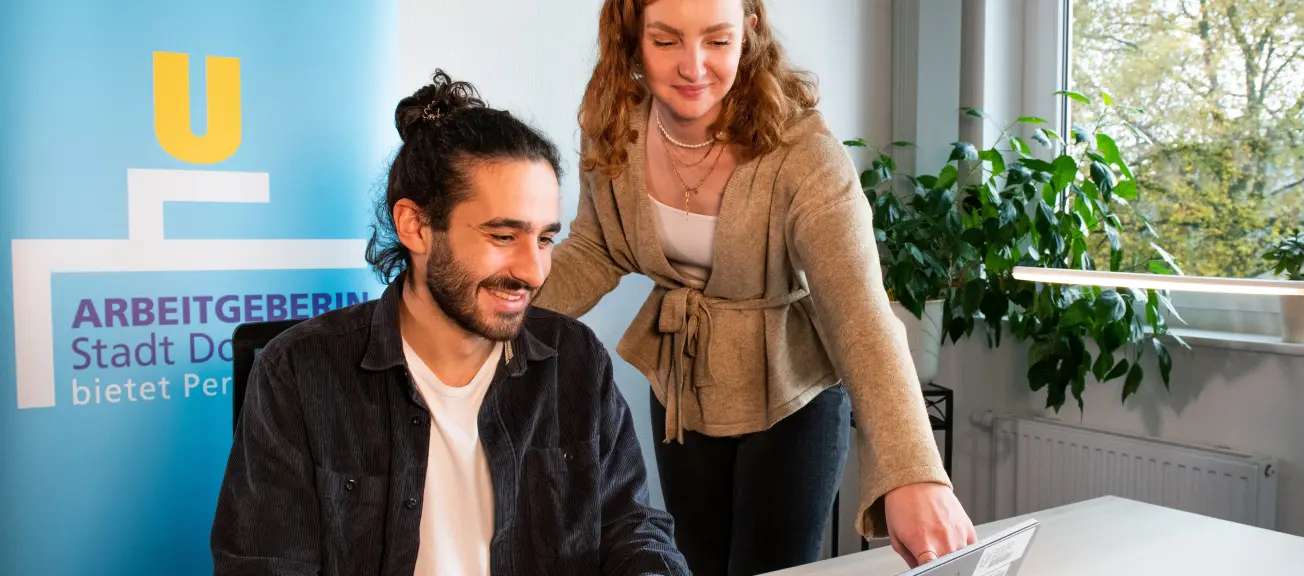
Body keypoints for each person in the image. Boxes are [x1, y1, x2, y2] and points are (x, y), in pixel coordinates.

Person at [530, 1, 977, 574]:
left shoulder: (803, 152)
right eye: (666, 42)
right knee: (694, 563)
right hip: (683, 387)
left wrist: (913, 472)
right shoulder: (614, 127)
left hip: (791, 393)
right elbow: (597, 248)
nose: (694, 66)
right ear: (633, 39)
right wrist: (490, 308)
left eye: (716, 41)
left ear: (749, 30)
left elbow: (859, 313)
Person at [211, 70, 689, 576]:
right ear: (415, 226)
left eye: (545, 239)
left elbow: (630, 526)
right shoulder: (298, 373)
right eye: (503, 236)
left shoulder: (576, 360)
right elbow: (264, 565)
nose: (532, 271)